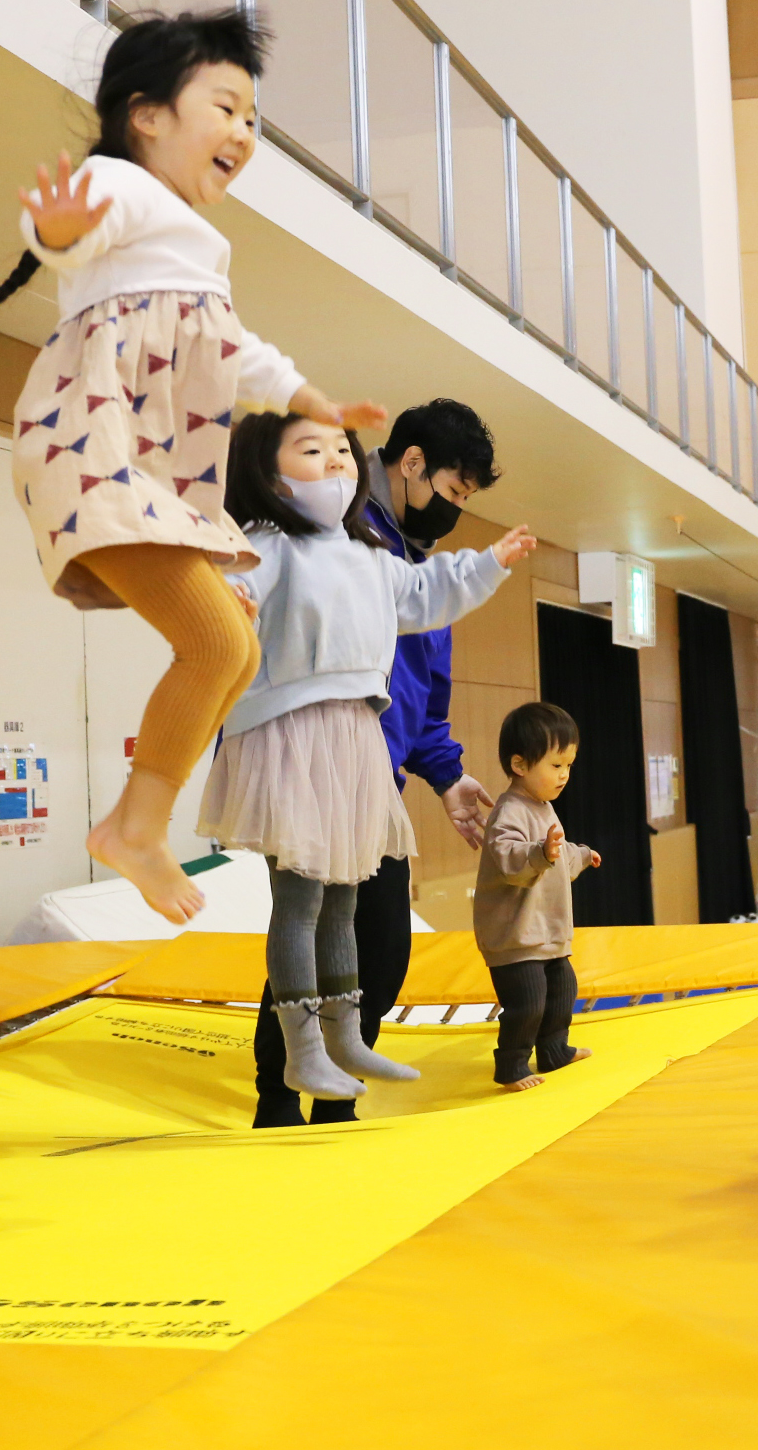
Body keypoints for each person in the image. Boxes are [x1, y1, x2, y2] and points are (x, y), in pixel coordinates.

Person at [0, 9, 382, 923]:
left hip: (134, 469)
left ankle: (133, 828)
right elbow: (65, 230)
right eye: (225, 106)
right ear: (147, 115)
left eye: (253, 119)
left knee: (235, 645)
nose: (243, 132)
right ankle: (134, 832)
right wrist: (56, 230)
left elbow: (235, 350)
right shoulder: (119, 184)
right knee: (220, 643)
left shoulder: (197, 248)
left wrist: (313, 402)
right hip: (90, 448)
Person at [199, 414, 534, 1101]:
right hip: (298, 743)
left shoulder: (378, 552)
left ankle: (340, 1051)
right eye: (454, 489)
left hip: (361, 750)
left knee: (356, 921)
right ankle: (286, 1080)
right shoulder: (293, 542)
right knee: (311, 908)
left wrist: (489, 564)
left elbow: (423, 640)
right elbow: (226, 605)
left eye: (340, 453)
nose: (335, 463)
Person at [473, 702, 602, 1091]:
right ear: (520, 765)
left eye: (568, 766)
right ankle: (511, 1064)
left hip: (545, 933)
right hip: (514, 936)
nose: (564, 775)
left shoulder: (543, 807)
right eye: (555, 765)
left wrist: (579, 855)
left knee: (563, 990)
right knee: (527, 1003)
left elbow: (556, 856)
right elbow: (511, 857)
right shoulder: (509, 810)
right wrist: (541, 853)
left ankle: (554, 1049)